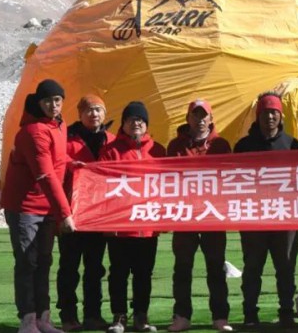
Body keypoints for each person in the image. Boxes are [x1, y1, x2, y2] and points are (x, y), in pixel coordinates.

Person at [1, 79, 76, 333]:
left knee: (44, 260)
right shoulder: (33, 131)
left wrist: (77, 165)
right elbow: (45, 175)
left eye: (57, 100)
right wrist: (65, 213)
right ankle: (28, 319)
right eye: (47, 101)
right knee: (27, 262)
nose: (53, 106)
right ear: (38, 102)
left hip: (45, 206)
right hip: (26, 207)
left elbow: (59, 158)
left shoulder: (59, 125)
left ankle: (43, 318)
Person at [233, 92, 298, 329]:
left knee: (285, 267)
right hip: (253, 218)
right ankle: (250, 313)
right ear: (258, 116)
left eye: (274, 112)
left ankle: (286, 311)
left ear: (281, 116)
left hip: (285, 218)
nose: (270, 117)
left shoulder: (292, 145)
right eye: (265, 112)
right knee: (252, 268)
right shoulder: (243, 146)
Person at [166, 99, 234, 332]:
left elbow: (231, 178)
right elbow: (168, 179)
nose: (200, 119)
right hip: (184, 216)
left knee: (216, 267)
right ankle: (182, 316)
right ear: (188, 119)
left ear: (211, 119)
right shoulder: (175, 145)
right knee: (182, 268)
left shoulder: (222, 145)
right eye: (195, 115)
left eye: (204, 115)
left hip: (213, 217)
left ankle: (220, 317)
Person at [58, 94, 118, 332]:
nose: (94, 114)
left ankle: (93, 314)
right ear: (80, 114)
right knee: (69, 267)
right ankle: (68, 315)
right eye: (89, 110)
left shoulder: (111, 140)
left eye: (98, 110)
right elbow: (55, 165)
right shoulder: (67, 139)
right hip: (72, 214)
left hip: (98, 215)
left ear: (104, 113)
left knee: (95, 267)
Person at [107, 101, 166, 333]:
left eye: (140, 120)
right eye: (131, 119)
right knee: (118, 272)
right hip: (119, 226)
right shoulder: (111, 151)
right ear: (123, 124)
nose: (136, 123)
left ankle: (141, 315)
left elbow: (169, 185)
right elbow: (100, 183)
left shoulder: (158, 150)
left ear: (147, 124)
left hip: (147, 223)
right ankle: (119, 316)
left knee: (144, 273)